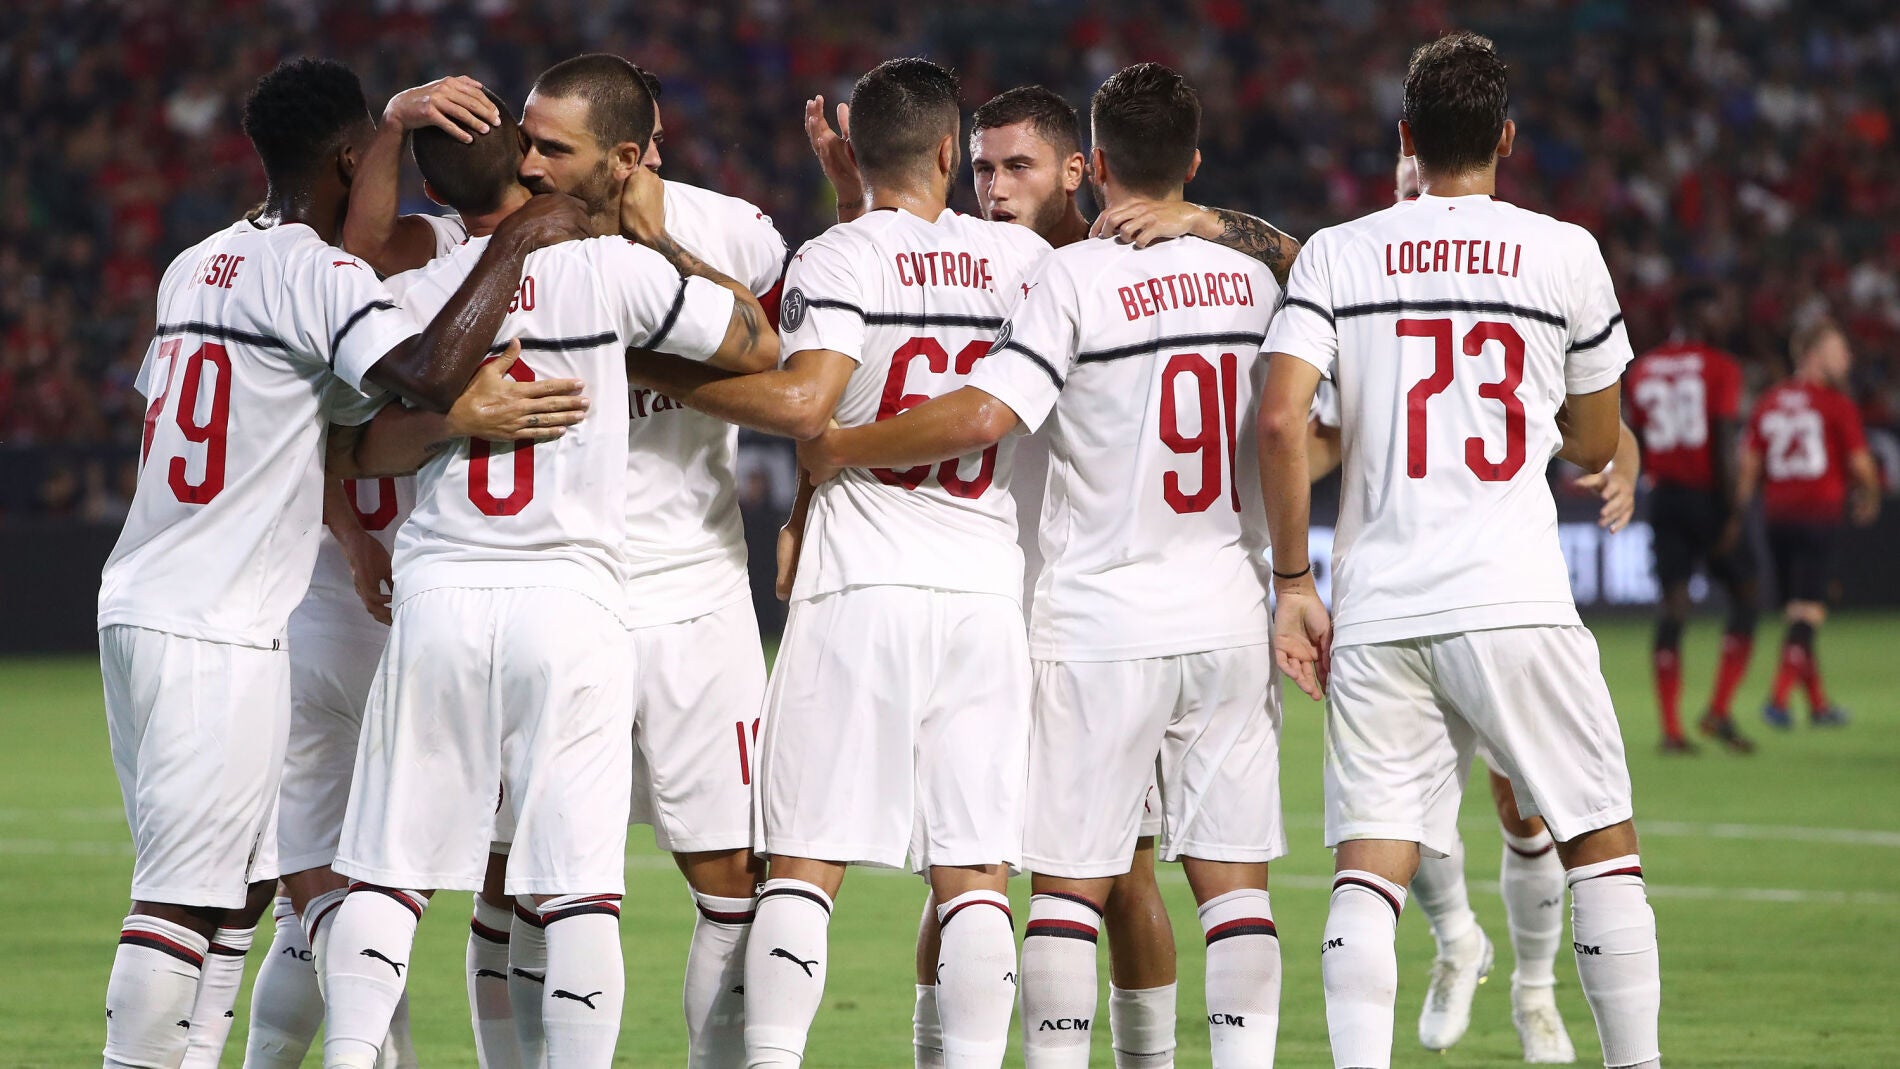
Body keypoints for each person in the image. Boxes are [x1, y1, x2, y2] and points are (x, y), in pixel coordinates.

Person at [95, 55, 585, 1069]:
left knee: (239, 891)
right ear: (349, 157)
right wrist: (525, 239)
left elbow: (267, 412)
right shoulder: (315, 275)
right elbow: (425, 369)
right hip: (215, 622)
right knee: (183, 898)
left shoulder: (197, 261)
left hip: (143, 596)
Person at [805, 80, 1301, 1069]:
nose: (993, 187)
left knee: (1109, 877)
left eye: (1017, 166)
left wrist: (834, 447)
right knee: (970, 872)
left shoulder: (1066, 276)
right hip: (1038, 600)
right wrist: (855, 193)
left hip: (1081, 612)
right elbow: (884, 289)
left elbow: (980, 406)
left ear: (1087, 169)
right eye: (981, 166)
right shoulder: (1029, 262)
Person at [314, 76, 776, 1069]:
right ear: (527, 167)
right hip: (573, 598)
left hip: (439, 590)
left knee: (388, 874)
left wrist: (446, 417)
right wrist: (647, 240)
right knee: (576, 886)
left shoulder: (411, 291)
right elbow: (754, 337)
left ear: (436, 196)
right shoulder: (608, 269)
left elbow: (342, 446)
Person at [623, 57, 1051, 1068]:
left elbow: (812, 404)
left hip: (857, 587)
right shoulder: (1027, 267)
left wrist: (657, 372)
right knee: (975, 871)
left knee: (802, 869)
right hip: (984, 589)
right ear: (953, 151)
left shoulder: (836, 254)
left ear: (857, 152)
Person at [1257, 31, 1661, 1069]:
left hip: (1382, 600)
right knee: (1599, 845)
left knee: (1366, 870)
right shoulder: (1562, 250)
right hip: (1513, 593)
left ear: (1404, 137)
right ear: (1506, 140)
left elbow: (1280, 424)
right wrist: (1597, 442)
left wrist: (1293, 579)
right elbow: (1586, 437)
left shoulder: (1342, 251)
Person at [237, 77, 588, 1069]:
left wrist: (389, 128)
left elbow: (328, 432)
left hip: (363, 596)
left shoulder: (382, 261)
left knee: (341, 899)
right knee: (473, 880)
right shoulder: (449, 265)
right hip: (406, 598)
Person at [482, 56, 789, 1069]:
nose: (526, 165)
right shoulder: (497, 237)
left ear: (626, 154)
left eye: (550, 148)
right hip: (559, 589)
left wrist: (630, 353)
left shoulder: (735, 232)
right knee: (525, 878)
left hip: (696, 591)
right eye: (523, 140)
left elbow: (779, 362)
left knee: (734, 877)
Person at [1626, 286, 1757, 753]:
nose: (1725, 316)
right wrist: (1733, 511)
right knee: (1746, 593)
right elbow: (1723, 440)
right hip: (1708, 495)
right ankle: (1718, 710)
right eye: (1718, 308)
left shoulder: (1643, 370)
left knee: (1674, 606)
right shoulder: (1720, 366)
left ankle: (1671, 730)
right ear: (1700, 314)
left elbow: (1635, 436)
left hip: (1665, 499)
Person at [1737, 317, 1881, 728]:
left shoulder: (1769, 400)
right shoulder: (1835, 403)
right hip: (1818, 515)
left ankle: (1818, 706)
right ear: (1814, 355)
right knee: (1808, 614)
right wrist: (1869, 494)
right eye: (1840, 349)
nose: (1848, 357)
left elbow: (1748, 465)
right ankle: (1778, 701)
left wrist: (1741, 514)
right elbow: (1860, 464)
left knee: (1798, 612)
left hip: (1776, 518)